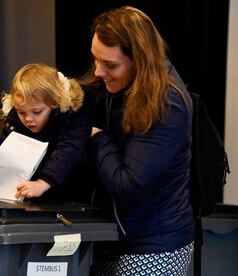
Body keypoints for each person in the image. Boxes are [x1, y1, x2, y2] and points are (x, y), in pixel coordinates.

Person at [81, 6, 195, 276]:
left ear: (139, 60)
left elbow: (129, 185)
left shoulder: (167, 103)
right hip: (116, 239)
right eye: (96, 60)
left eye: (111, 65)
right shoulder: (120, 85)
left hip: (155, 246)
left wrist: (97, 139)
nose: (98, 72)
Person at [0, 63, 91, 201]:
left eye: (37, 112)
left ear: (55, 103)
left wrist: (42, 183)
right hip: (32, 195)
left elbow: (68, 151)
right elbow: (7, 157)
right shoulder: (14, 118)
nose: (28, 119)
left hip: (70, 197)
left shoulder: (72, 116)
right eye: (21, 112)